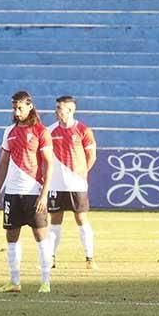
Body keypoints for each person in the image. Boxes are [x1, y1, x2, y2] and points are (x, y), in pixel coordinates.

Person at [0, 91, 55, 294]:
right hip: (12, 193)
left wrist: (44, 193)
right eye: (14, 108)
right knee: (11, 236)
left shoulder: (41, 132)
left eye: (20, 108)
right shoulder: (9, 131)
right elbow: (3, 162)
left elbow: (49, 164)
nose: (17, 112)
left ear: (30, 107)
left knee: (41, 236)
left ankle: (45, 281)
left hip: (33, 192)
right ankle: (14, 281)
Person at [47, 95, 98, 269]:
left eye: (59, 108)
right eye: (56, 108)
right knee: (55, 220)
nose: (56, 112)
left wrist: (81, 174)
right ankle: (50, 259)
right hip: (55, 185)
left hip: (77, 184)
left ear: (70, 110)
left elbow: (92, 156)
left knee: (81, 219)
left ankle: (89, 258)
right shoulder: (49, 131)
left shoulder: (83, 130)